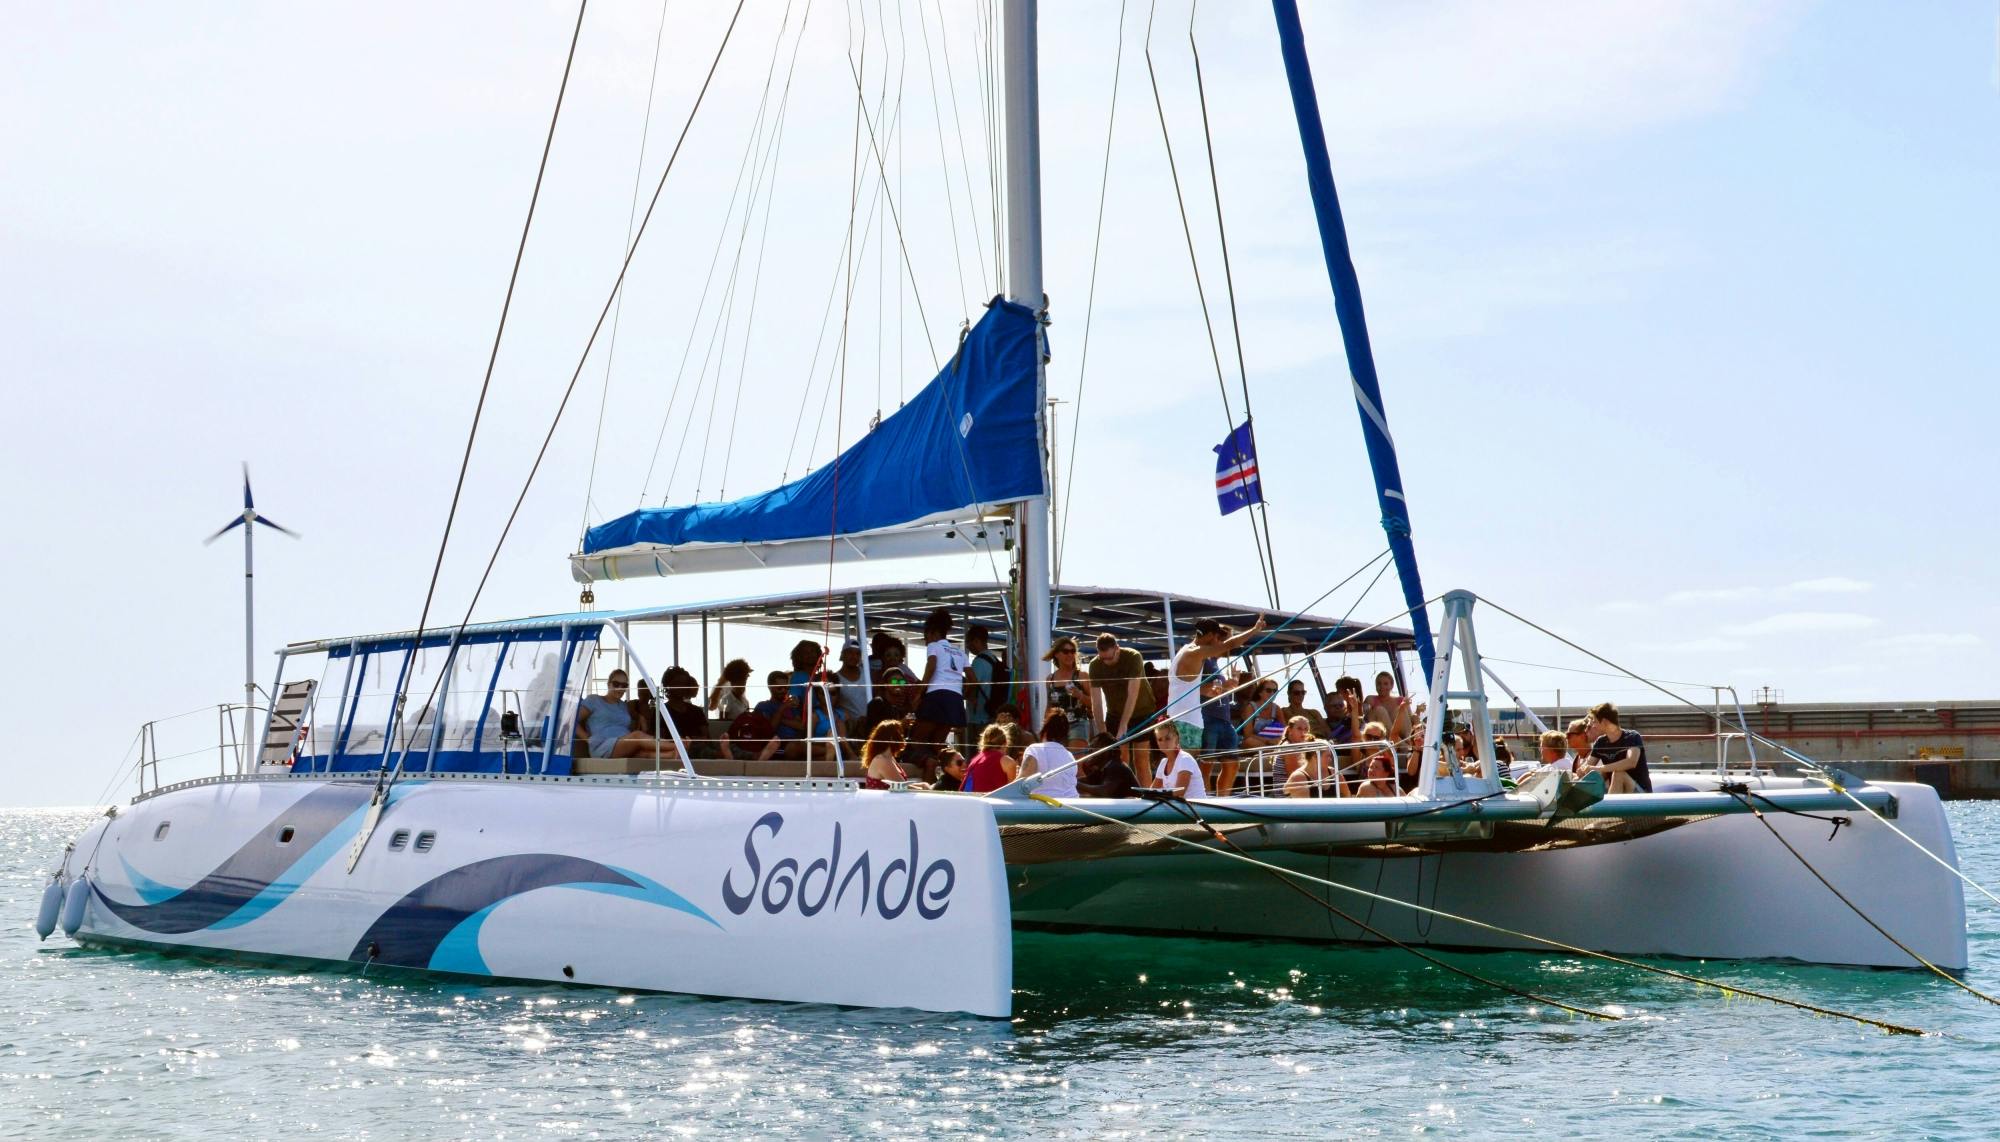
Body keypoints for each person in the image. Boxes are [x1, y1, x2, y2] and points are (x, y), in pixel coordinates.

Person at [1162, 616, 1266, 796]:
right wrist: (1255, 630)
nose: (1219, 640)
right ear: (1210, 635)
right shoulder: (1194, 652)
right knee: (1185, 768)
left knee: (1186, 767)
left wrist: (1216, 689)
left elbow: (1193, 687)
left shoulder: (1188, 651)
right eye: (1217, 636)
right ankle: (1183, 808)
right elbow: (1229, 645)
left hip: (1186, 720)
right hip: (1185, 721)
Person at [1088, 632, 1156, 772]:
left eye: (1110, 658)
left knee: (1141, 759)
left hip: (1141, 711)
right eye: (1103, 658)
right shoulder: (1095, 665)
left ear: (1117, 648)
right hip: (1114, 713)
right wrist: (1102, 731)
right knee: (1120, 759)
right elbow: (1096, 701)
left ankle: (1146, 793)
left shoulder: (1133, 657)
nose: (1107, 662)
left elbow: (1133, 693)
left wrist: (1124, 725)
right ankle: (1123, 792)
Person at [578, 670, 677, 763]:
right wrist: (588, 739)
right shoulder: (594, 700)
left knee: (645, 753)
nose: (620, 688)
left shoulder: (624, 706)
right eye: (616, 684)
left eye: (624, 685)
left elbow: (636, 717)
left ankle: (673, 754)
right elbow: (570, 722)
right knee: (636, 736)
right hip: (604, 746)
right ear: (608, 684)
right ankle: (677, 746)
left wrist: (641, 718)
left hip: (624, 743)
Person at [1583, 701, 1652, 793]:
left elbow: (1631, 762)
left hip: (1642, 795)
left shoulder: (1632, 737)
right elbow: (1588, 765)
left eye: (1595, 722)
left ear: (1604, 722)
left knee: (1618, 774)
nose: (1593, 726)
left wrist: (1598, 768)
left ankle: (1610, 807)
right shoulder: (1600, 742)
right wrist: (1583, 770)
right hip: (1619, 791)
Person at [1043, 636, 1094, 747]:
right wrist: (1045, 727)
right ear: (1056, 654)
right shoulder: (1050, 679)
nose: (1070, 655)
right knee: (1058, 760)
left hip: (1078, 723)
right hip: (1056, 725)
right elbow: (1049, 705)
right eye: (1065, 651)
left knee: (1076, 760)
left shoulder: (1082, 676)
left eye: (1072, 651)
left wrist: (1079, 695)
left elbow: (1093, 703)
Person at [1018, 711, 1079, 799]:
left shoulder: (1034, 749)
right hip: (1072, 805)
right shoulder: (1070, 756)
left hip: (1044, 807)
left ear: (1045, 729)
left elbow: (1022, 782)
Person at [1279, 716, 1337, 798]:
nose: (1303, 732)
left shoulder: (1297, 747)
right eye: (1299, 729)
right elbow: (1296, 778)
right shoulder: (1289, 748)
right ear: (1290, 730)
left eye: (1306, 729)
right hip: (1284, 800)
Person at [660, 666, 710, 757]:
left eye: (684, 684)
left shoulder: (697, 711)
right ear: (668, 685)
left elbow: (706, 737)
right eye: (677, 683)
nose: (681, 687)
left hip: (699, 749)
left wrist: (693, 741)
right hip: (674, 750)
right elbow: (660, 739)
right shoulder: (662, 711)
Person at [860, 720, 926, 790]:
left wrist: (923, 785)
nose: (903, 738)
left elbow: (902, 784)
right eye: (900, 734)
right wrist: (923, 789)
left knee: (924, 785)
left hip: (891, 799)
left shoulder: (889, 758)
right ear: (892, 738)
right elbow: (902, 787)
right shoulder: (882, 760)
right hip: (880, 800)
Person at [964, 624, 1002, 739]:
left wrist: (964, 694)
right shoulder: (994, 659)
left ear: (976, 641)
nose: (967, 646)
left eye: (968, 642)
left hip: (978, 717)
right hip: (992, 713)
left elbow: (973, 684)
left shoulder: (979, 661)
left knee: (975, 752)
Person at [1150, 721, 1207, 798]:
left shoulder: (1185, 759)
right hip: (1178, 807)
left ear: (1176, 738)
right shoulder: (1163, 763)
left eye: (1167, 738)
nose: (1163, 742)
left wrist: (1155, 794)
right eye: (1160, 739)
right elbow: (1152, 790)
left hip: (1198, 808)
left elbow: (1179, 793)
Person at [1077, 733, 1140, 798]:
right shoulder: (1104, 767)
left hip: (1136, 807)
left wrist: (1076, 784)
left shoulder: (1116, 767)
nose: (1089, 750)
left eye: (1093, 746)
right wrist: (1070, 780)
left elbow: (1104, 792)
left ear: (1106, 751)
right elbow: (1087, 780)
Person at [959, 724, 1016, 794]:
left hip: (972, 801)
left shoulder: (974, 761)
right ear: (1005, 744)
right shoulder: (1008, 762)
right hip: (993, 802)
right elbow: (1013, 792)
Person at [1361, 671, 1411, 741]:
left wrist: (1417, 712)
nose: (1382, 686)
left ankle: (1409, 743)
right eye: (1379, 684)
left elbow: (1411, 719)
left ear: (1392, 685)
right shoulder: (1371, 699)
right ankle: (1403, 746)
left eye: (1386, 684)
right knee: (1380, 710)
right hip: (1381, 736)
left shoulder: (1400, 700)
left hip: (1402, 736)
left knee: (1400, 709)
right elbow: (1363, 716)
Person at [1352, 722, 1398, 797]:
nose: (1372, 740)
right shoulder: (1360, 757)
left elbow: (1395, 733)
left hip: (1386, 794)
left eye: (1376, 738)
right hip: (1366, 795)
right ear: (1363, 737)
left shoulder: (1386, 755)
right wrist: (1354, 710)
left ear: (1382, 739)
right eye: (1369, 737)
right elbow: (1355, 736)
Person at [833, 640, 870, 729]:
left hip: (869, 723)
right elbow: (834, 704)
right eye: (850, 653)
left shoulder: (867, 674)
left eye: (857, 654)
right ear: (842, 655)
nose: (854, 656)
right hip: (850, 726)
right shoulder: (835, 678)